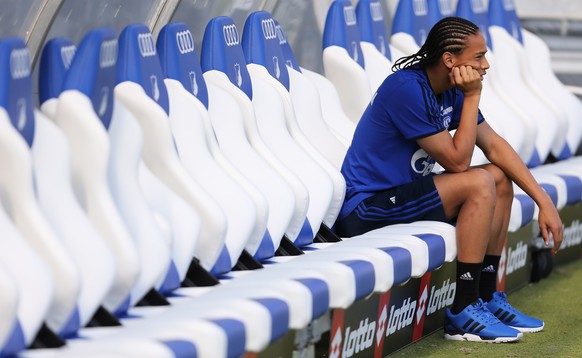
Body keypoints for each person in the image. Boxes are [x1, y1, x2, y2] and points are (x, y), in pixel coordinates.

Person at [334, 16, 563, 343]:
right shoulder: (406, 89)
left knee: (498, 177)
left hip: (403, 195)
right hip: (367, 208)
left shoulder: (450, 88)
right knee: (478, 182)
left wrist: (544, 201)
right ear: (449, 60)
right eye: (479, 56)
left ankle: (485, 296)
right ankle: (464, 310)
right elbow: (458, 162)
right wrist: (472, 98)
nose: (486, 65)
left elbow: (495, 146)